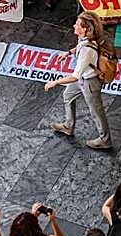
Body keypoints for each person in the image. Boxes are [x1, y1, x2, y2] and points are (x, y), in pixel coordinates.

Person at [45, 11, 112, 150]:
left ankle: (105, 140)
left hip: (89, 83)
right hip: (82, 79)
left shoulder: (87, 51)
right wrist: (68, 52)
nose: (74, 25)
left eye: (77, 24)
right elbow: (80, 46)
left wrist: (55, 82)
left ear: (86, 29)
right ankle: (68, 127)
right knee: (67, 95)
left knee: (96, 111)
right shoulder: (85, 39)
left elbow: (75, 76)